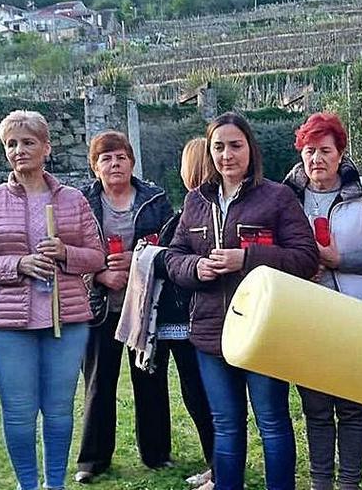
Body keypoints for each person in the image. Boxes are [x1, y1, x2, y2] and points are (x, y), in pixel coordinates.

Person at [166, 112, 319, 490]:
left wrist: (246, 258)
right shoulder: (196, 201)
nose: (227, 155)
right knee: (226, 425)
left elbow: (305, 257)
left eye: (235, 145)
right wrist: (196, 267)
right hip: (211, 333)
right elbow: (173, 256)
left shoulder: (277, 197)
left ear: (251, 148)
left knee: (272, 423)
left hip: (264, 330)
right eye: (218, 147)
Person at [0, 110, 104, 490]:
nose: (19, 150)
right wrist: (18, 264)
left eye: (27, 142)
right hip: (8, 327)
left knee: (58, 413)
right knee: (20, 414)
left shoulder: (74, 200)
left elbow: (96, 257)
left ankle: (55, 484)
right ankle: (28, 485)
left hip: (66, 323)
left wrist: (66, 253)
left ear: (46, 148)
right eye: (11, 144)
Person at [283, 112, 362, 490]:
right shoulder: (287, 196)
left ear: (340, 153)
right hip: (306, 315)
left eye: (325, 151)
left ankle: (349, 483)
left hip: (354, 314)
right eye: (309, 151)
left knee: (351, 405)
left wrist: (339, 261)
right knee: (315, 407)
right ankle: (320, 484)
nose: (317, 159)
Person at [74, 130, 176, 483]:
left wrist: (139, 259)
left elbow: (172, 247)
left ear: (132, 162)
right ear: (95, 166)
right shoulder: (81, 202)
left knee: (150, 378)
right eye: (106, 158)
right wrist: (99, 275)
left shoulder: (155, 199)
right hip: (100, 305)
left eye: (120, 157)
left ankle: (157, 453)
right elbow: (68, 252)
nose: (114, 163)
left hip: (146, 304)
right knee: (99, 383)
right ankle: (93, 460)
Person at [163, 137, 216, 490]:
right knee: (202, 396)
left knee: (203, 396)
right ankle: (216, 464)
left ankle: (219, 466)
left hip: (195, 320)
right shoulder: (186, 214)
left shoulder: (197, 214)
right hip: (194, 320)